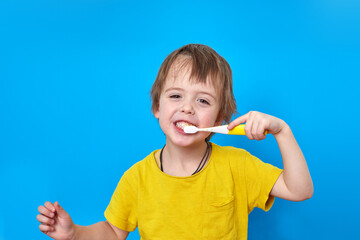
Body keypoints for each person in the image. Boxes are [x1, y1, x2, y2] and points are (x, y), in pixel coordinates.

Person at [37, 44, 313, 240]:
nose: (188, 108)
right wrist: (75, 234)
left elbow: (299, 190)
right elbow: (111, 232)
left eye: (202, 100)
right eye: (176, 96)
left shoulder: (237, 166)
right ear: (157, 107)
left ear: (221, 118)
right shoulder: (137, 179)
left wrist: (282, 132)